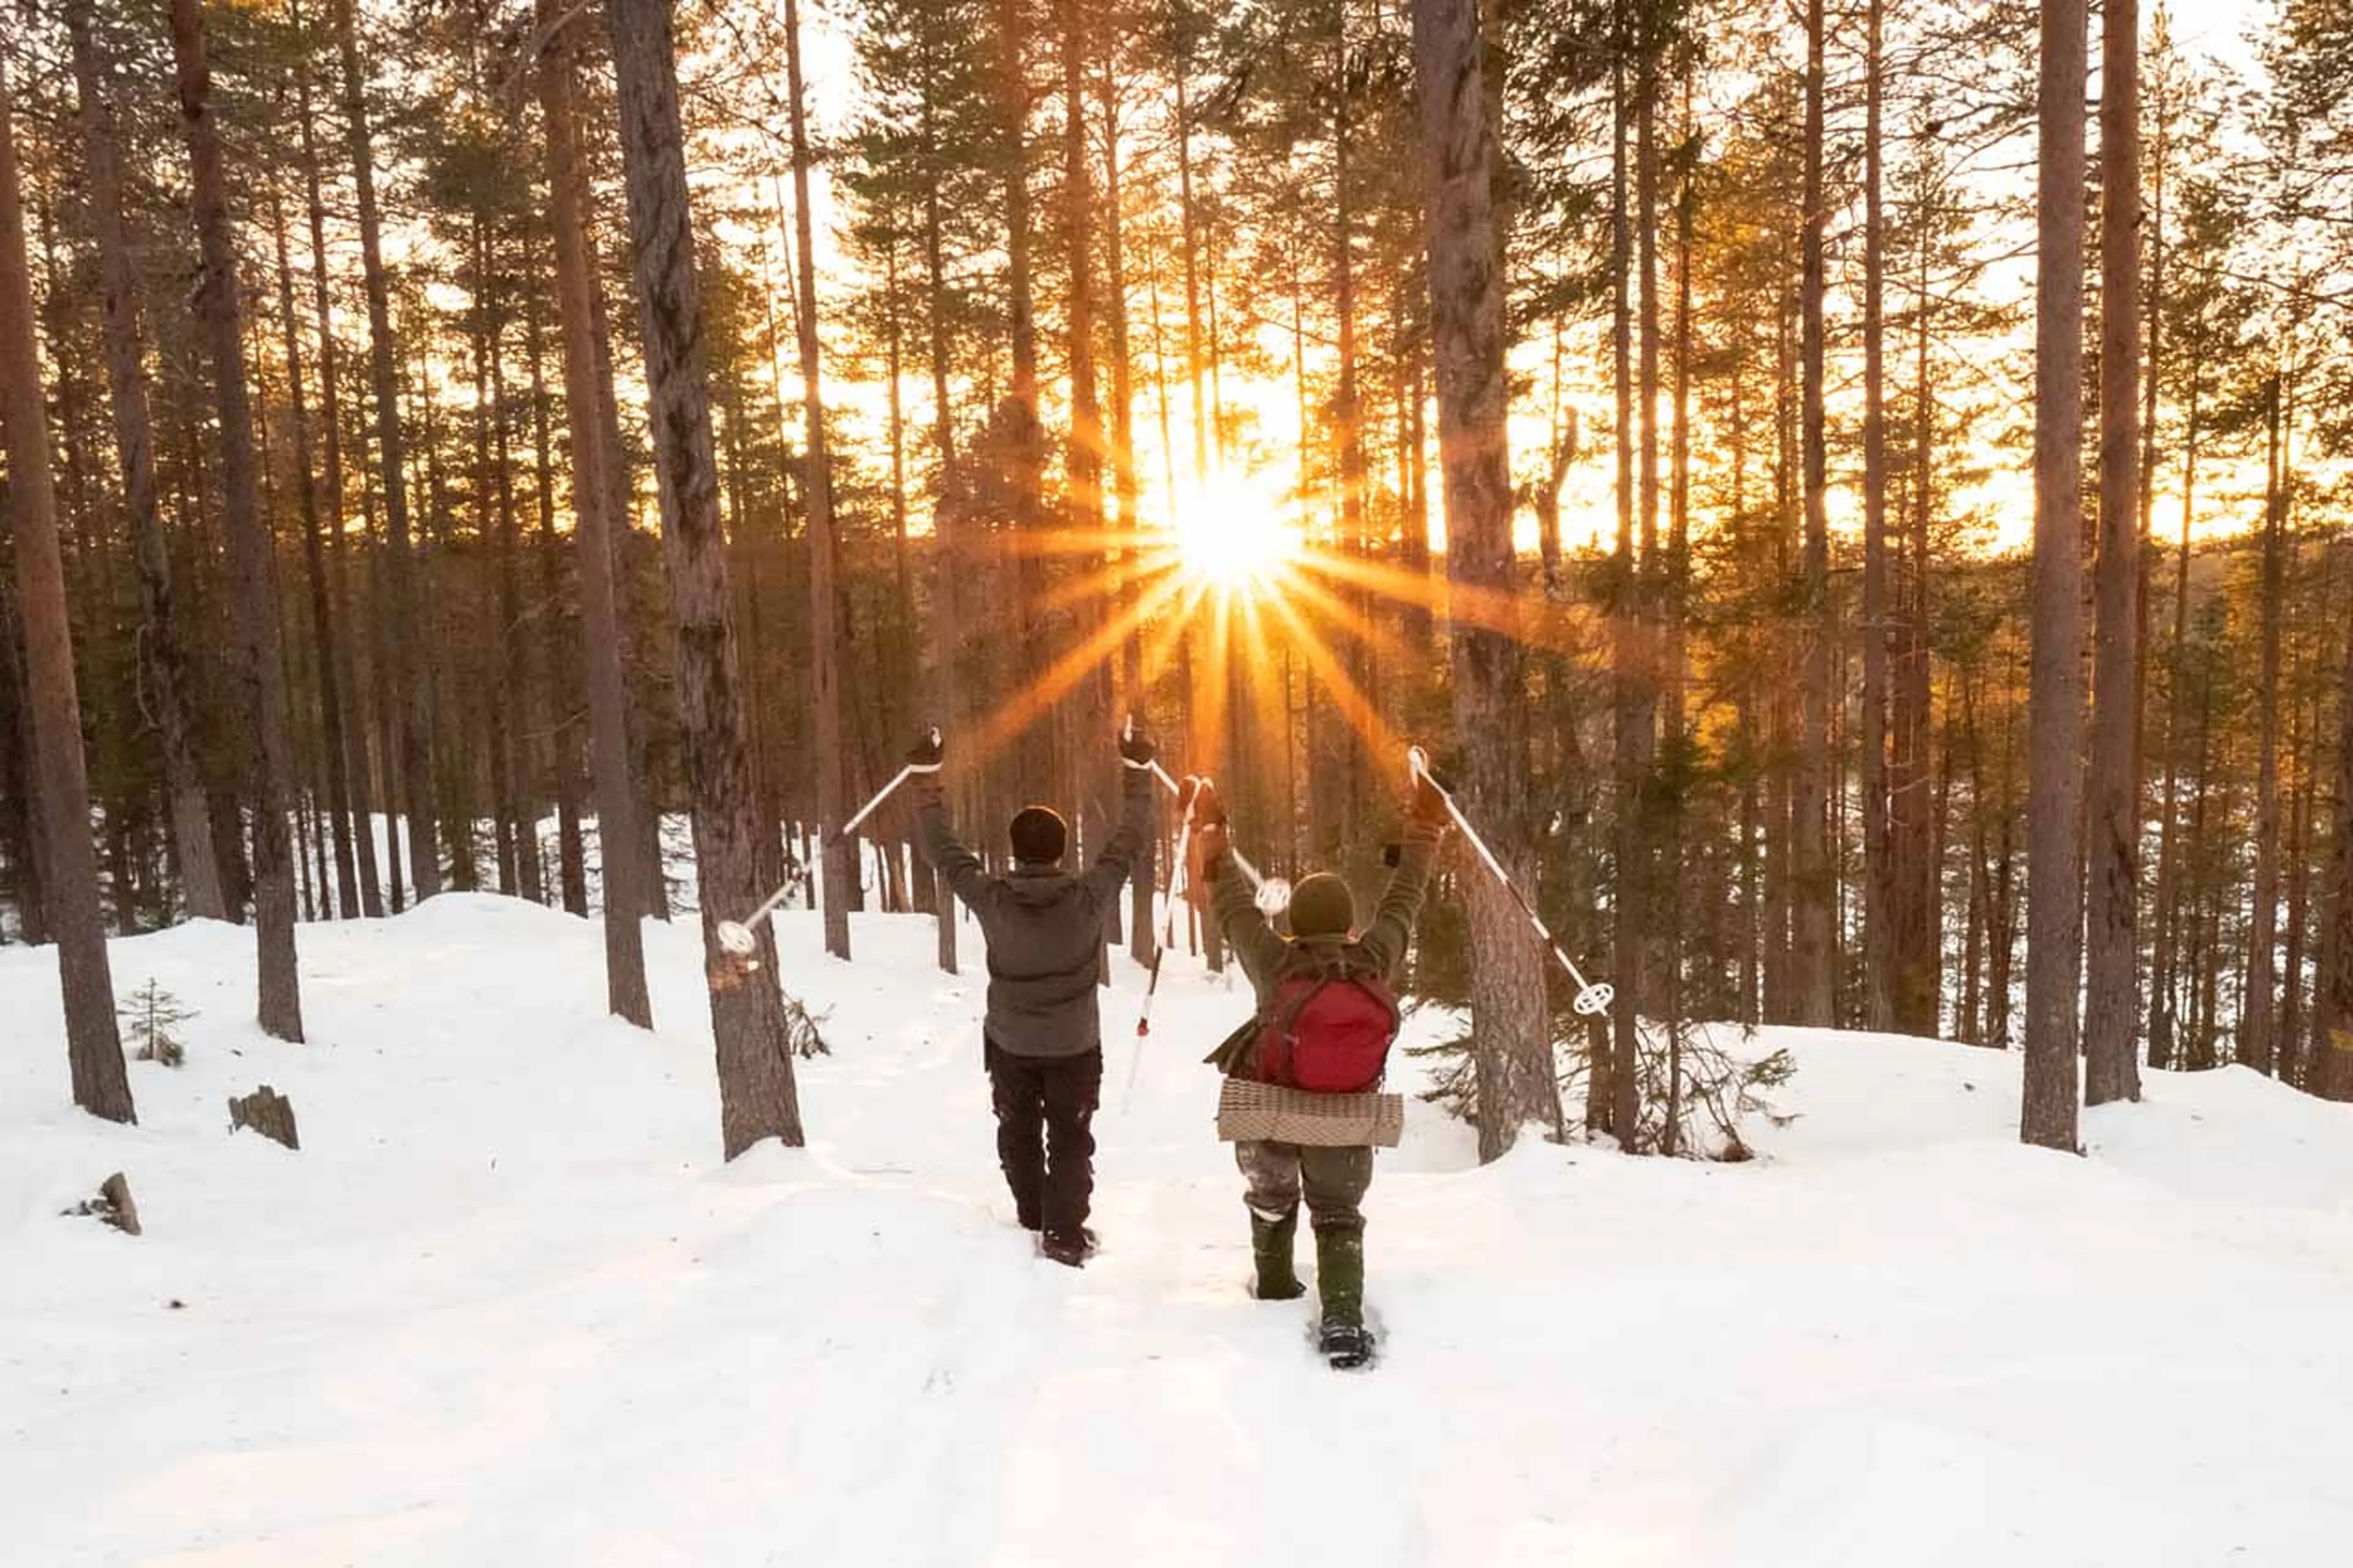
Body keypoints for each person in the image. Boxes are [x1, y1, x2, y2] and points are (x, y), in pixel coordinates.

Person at [1191, 769, 1449, 1366]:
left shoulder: (1274, 961)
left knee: (1272, 1203)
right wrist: (1426, 825)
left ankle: (1276, 1293)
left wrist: (1211, 830)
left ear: (1297, 922)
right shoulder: (1375, 957)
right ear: (1347, 920)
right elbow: (1405, 895)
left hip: (1271, 1115)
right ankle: (1341, 1322)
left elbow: (1229, 900)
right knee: (1338, 1218)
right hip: (1348, 1117)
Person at [909, 721, 1157, 1267]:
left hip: (1012, 1042)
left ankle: (1034, 1214)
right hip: (1072, 1044)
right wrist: (1137, 772)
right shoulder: (1089, 896)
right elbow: (1129, 841)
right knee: (1070, 1136)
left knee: (1016, 1126)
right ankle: (1063, 1231)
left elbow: (943, 851)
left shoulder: (994, 897)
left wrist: (927, 781)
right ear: (1063, 849)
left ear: (1016, 852)